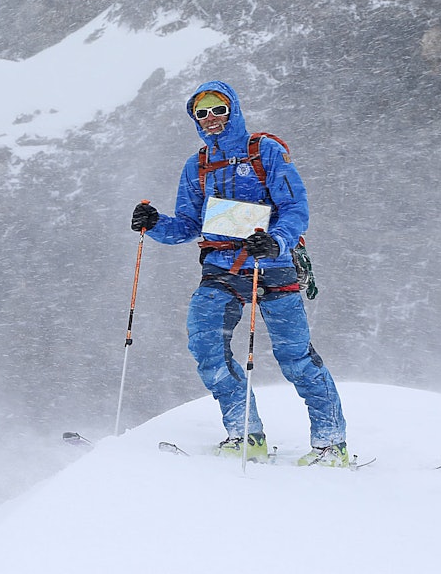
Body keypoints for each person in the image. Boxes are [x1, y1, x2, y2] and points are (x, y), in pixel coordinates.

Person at [130, 80, 349, 466]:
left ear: (233, 110)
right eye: (202, 112)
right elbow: (187, 225)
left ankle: (332, 445)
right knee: (206, 347)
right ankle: (246, 435)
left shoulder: (265, 151)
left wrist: (276, 241)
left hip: (274, 266)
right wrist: (154, 223)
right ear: (195, 118)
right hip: (220, 268)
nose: (211, 118)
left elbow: (295, 208)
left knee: (295, 357)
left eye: (219, 109)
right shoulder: (197, 165)